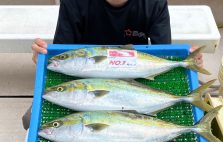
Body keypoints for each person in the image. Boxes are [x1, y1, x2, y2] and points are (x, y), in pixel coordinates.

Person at [23, 0, 202, 129]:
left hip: (136, 80)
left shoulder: (154, 3)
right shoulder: (74, 2)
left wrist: (187, 59)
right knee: (29, 120)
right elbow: (61, 53)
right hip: (87, 80)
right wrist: (43, 56)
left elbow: (164, 53)